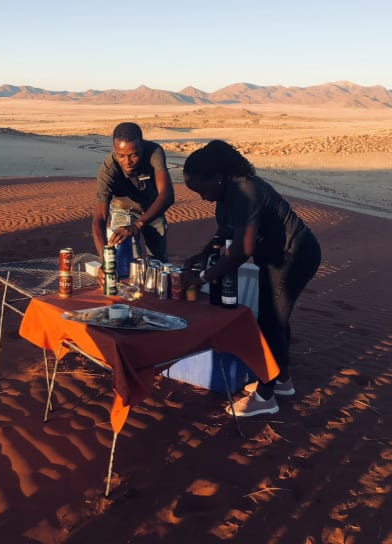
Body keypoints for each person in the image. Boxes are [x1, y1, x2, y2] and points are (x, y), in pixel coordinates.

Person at [181, 140, 321, 418]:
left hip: (294, 257)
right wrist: (202, 255)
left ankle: (265, 397)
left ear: (217, 177)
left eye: (203, 190)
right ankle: (281, 381)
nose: (204, 198)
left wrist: (202, 278)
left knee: (272, 322)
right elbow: (224, 232)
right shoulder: (226, 195)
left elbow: (241, 251)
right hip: (274, 258)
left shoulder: (247, 191)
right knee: (275, 319)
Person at [92, 122, 175, 284]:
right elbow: (99, 219)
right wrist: (105, 261)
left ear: (142, 147)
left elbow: (167, 196)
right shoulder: (108, 170)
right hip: (123, 209)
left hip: (153, 209)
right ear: (114, 150)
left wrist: (138, 225)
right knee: (129, 262)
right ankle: (132, 296)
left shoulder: (154, 152)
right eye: (120, 156)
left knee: (158, 262)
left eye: (133, 155)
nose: (127, 161)